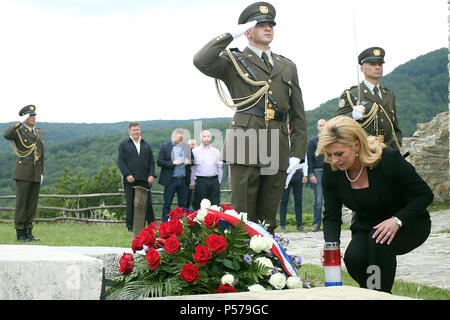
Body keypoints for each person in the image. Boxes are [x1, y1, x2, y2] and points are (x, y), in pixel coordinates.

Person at [193, 2, 307, 234]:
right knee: (242, 216)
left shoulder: (287, 66)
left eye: (270, 25)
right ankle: (242, 268)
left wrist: (297, 153)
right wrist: (229, 36)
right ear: (247, 31)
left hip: (277, 141)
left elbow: (297, 115)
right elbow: (201, 60)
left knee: (268, 217)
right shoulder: (233, 61)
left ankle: (268, 266)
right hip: (245, 140)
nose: (268, 28)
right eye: (261, 25)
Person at [317, 116, 433, 293]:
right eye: (329, 154)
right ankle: (372, 293)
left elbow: (425, 195)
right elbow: (331, 214)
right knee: (354, 258)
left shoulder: (389, 160)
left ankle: (380, 294)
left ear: (356, 145)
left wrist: (397, 220)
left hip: (409, 221)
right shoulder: (331, 170)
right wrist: (331, 247)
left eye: (339, 154)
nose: (334, 160)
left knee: (379, 244)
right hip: (367, 225)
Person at [335, 47, 402, 151]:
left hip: (388, 151)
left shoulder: (389, 95)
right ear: (362, 68)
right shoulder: (351, 94)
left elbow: (395, 128)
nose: (378, 67)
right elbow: (336, 123)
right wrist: (352, 115)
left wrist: (397, 149)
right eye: (372, 64)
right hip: (364, 151)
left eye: (380, 64)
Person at [3, 105, 44, 242]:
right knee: (22, 203)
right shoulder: (19, 131)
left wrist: (41, 173)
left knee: (32, 204)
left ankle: (29, 231)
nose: (33, 118)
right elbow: (6, 134)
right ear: (25, 117)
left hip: (36, 171)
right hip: (23, 171)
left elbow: (41, 154)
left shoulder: (38, 132)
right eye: (30, 116)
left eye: (34, 116)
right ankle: (20, 232)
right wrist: (18, 123)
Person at [117, 122, 156, 232]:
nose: (136, 132)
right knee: (131, 203)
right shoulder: (124, 144)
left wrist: (151, 175)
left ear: (140, 131)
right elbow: (120, 161)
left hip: (144, 179)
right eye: (133, 130)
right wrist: (127, 174)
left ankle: (152, 226)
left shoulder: (146, 145)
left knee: (147, 204)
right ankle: (130, 227)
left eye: (137, 130)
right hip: (130, 180)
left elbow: (151, 162)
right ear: (129, 131)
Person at [157, 128, 194, 222]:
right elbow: (159, 161)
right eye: (179, 138)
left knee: (183, 205)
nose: (181, 140)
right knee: (167, 204)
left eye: (182, 138)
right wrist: (172, 163)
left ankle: (182, 224)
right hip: (170, 180)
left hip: (184, 180)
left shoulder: (186, 147)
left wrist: (187, 162)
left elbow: (193, 161)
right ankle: (165, 224)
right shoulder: (165, 146)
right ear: (173, 136)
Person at [190, 130, 223, 209]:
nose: (207, 138)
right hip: (201, 181)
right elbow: (192, 168)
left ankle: (215, 221)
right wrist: (192, 182)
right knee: (200, 204)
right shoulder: (195, 151)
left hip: (214, 180)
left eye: (208, 136)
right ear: (200, 138)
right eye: (204, 136)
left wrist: (219, 181)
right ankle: (200, 221)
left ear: (211, 138)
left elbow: (220, 167)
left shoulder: (216, 151)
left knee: (215, 205)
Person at [278, 153, 308, 233]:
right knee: (284, 200)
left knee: (298, 200)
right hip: (286, 173)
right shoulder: (283, 144)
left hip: (298, 173)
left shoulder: (300, 145)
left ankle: (299, 225)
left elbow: (304, 160)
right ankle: (282, 225)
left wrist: (305, 174)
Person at [306, 119, 327, 232]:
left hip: (330, 172)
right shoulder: (313, 141)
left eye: (324, 125)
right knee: (318, 199)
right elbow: (309, 158)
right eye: (320, 125)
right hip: (317, 172)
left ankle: (329, 223)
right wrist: (311, 173)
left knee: (330, 199)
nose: (322, 127)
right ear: (317, 127)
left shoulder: (331, 140)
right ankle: (316, 223)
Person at [186, 139, 197, 209]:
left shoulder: (198, 154)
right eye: (190, 144)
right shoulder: (186, 155)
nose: (191, 146)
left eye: (193, 144)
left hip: (197, 180)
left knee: (195, 201)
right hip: (188, 181)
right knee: (187, 200)